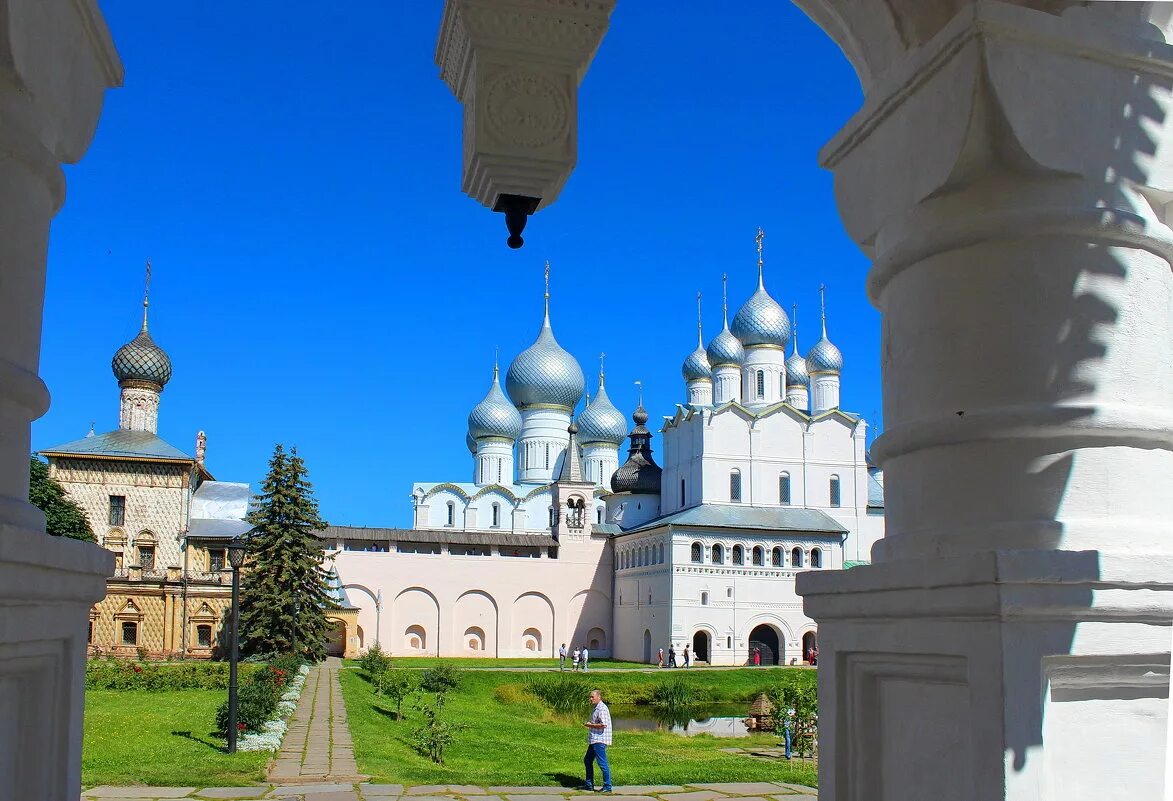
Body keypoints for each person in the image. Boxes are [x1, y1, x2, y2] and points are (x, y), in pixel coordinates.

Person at [580, 688, 613, 792]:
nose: (590, 699)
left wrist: (590, 725)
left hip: (599, 740)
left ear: (599, 697)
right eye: (590, 697)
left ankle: (608, 786)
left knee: (602, 763)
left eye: (592, 697)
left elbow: (603, 725)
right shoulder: (596, 708)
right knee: (588, 760)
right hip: (595, 739)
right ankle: (589, 785)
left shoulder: (602, 709)